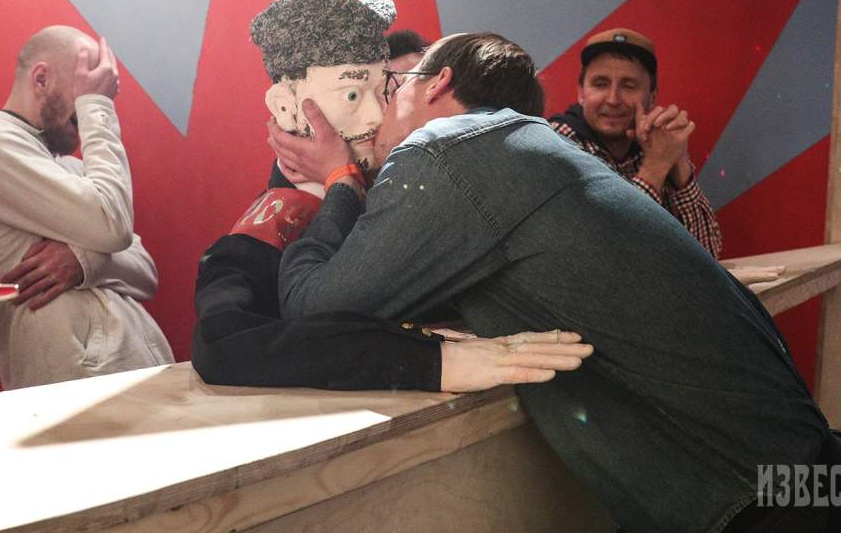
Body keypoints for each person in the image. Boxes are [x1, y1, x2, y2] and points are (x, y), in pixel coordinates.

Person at [270, 32, 836, 532]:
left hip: (760, 503)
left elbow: (315, 311)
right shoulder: (529, 146)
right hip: (801, 475)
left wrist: (339, 178)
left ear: (436, 82)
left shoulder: (444, 151)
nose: (379, 109)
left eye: (392, 87)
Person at [192, 0, 591, 392]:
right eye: (352, 95)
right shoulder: (272, 225)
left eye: (386, 91)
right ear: (285, 106)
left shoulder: (415, 189)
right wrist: (432, 361)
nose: (378, 113)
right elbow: (225, 342)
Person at [0, 25, 174, 389]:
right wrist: (97, 107)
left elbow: (145, 270)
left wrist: (83, 262)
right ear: (41, 79)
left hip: (133, 381)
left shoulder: (66, 166)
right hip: (76, 390)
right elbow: (113, 225)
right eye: (85, 89)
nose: (90, 107)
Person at [547, 28, 723, 258]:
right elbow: (608, 256)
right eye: (600, 84)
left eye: (628, 85)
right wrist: (655, 168)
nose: (613, 99)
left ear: (652, 98)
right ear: (581, 93)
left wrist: (678, 160)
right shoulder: (558, 143)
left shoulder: (656, 140)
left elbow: (708, 254)